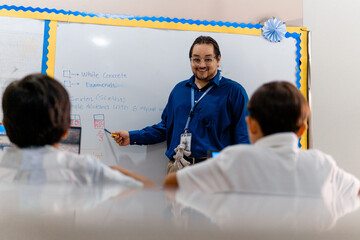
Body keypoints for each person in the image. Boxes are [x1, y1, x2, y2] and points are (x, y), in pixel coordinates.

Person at [163, 81, 360, 198]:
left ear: (251, 125)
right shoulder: (322, 165)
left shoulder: (233, 161)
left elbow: (172, 183)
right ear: (302, 130)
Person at [113, 36, 249, 174]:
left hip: (214, 171)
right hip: (177, 168)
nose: (202, 65)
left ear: (218, 59)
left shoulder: (234, 92)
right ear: (190, 60)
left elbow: (243, 137)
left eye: (208, 59)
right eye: (196, 59)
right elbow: (165, 128)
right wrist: (132, 137)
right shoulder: (179, 90)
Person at [0, 73, 155, 188]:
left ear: (4, 125)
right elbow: (152, 189)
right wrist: (111, 171)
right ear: (67, 129)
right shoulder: (82, 170)